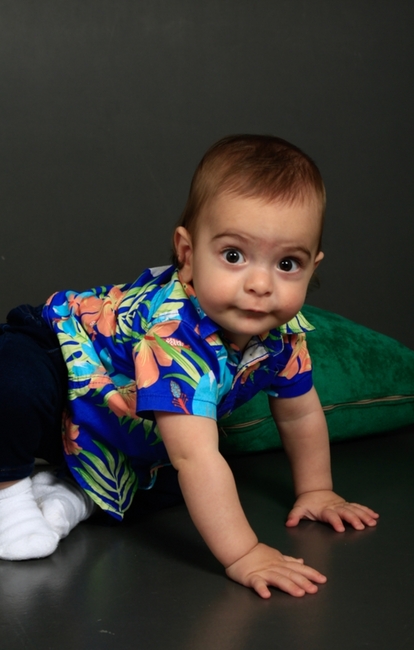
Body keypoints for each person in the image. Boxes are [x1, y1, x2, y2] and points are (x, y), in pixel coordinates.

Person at [0, 134, 378, 598]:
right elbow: (195, 458)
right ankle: (8, 490)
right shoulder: (176, 335)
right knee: (15, 384)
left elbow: (299, 413)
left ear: (313, 267)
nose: (261, 284)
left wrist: (316, 489)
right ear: (187, 253)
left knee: (184, 482)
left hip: (115, 420)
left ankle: (75, 492)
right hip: (61, 363)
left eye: (287, 263)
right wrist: (244, 553)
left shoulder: (283, 336)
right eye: (234, 256)